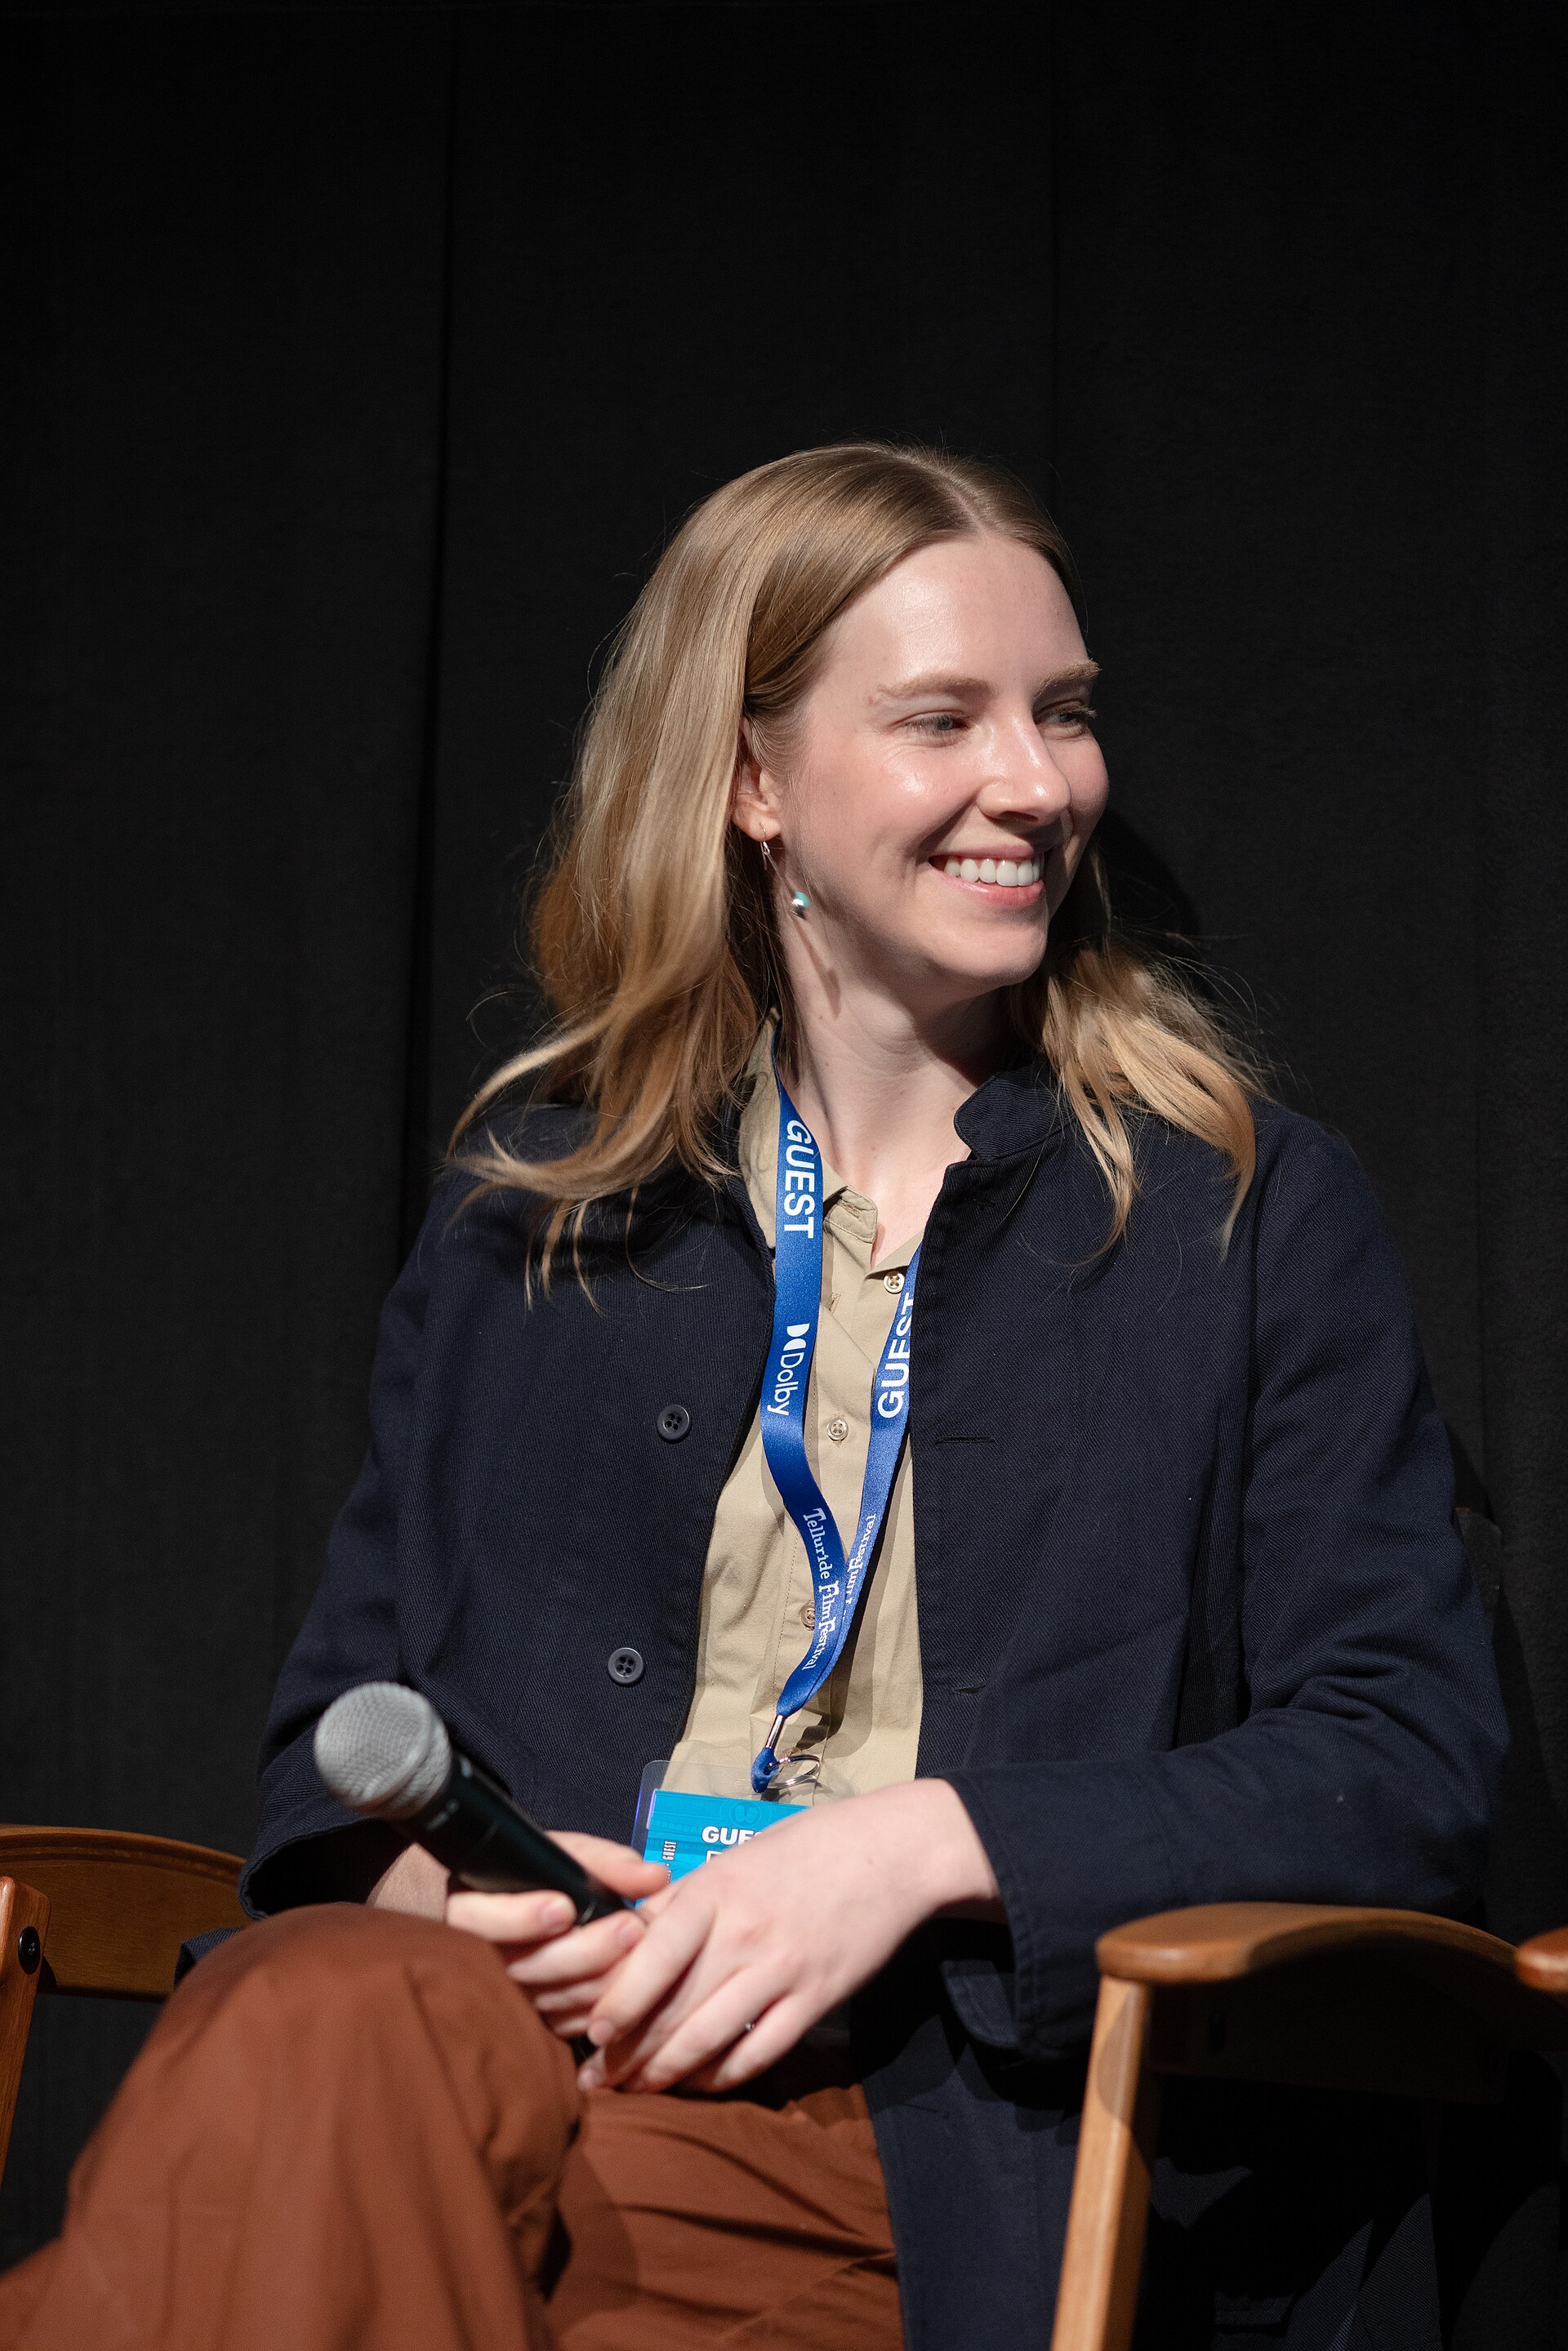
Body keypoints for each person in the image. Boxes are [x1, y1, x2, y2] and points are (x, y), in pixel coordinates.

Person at [0, 444, 1505, 2351]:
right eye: (944, 718)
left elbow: (1402, 1767)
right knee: (323, 2013)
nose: (1037, 783)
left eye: (1063, 712)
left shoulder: (1243, 1218)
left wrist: (923, 1847)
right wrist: (431, 1898)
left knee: (215, 2215)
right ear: (752, 784)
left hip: (910, 2140)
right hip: (486, 2051)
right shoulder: (535, 1219)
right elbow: (336, 1742)